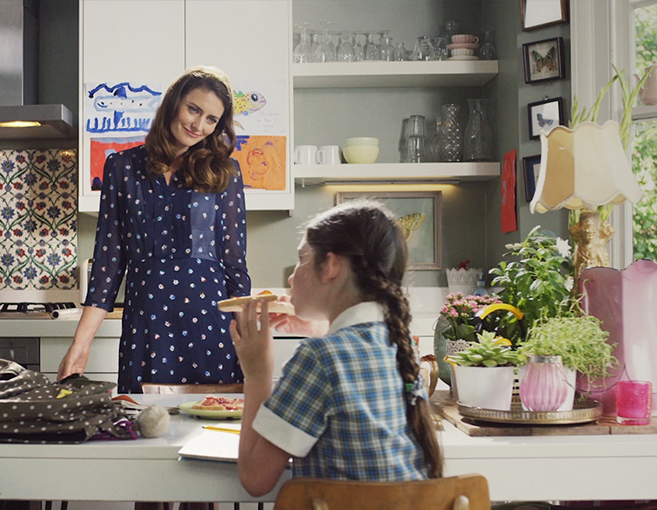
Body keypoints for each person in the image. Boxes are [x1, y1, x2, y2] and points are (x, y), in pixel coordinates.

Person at [230, 201, 443, 497]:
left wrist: (256, 374)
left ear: (331, 266)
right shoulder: (397, 343)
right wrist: (322, 328)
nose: (291, 277)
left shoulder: (319, 358)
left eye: (301, 259)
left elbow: (255, 478)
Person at [58, 66, 251, 393]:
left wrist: (250, 344)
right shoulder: (122, 167)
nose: (198, 125)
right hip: (148, 326)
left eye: (211, 119)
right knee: (143, 419)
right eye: (193, 109)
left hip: (212, 326)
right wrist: (80, 344)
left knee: (212, 421)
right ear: (173, 103)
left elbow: (234, 267)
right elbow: (108, 266)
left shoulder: (225, 172)